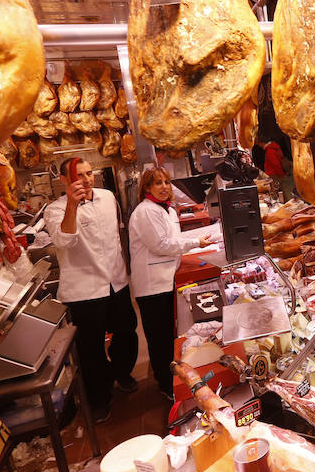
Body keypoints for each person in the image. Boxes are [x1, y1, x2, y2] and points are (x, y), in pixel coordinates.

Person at [44, 158, 139, 423]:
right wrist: (73, 205)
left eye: (89, 173)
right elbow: (64, 240)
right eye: (78, 176)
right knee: (91, 349)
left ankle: (122, 372)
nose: (86, 180)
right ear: (63, 180)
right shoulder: (55, 210)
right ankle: (100, 399)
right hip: (84, 290)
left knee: (126, 331)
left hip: (116, 281)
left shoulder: (108, 197)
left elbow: (116, 235)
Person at [128, 167, 212, 400]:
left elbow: (174, 239)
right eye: (158, 183)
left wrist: (200, 239)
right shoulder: (145, 211)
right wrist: (196, 242)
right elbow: (161, 245)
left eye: (166, 182)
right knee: (159, 338)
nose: (164, 186)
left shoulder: (166, 209)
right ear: (147, 188)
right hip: (152, 284)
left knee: (168, 334)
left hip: (166, 278)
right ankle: (165, 384)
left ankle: (173, 378)